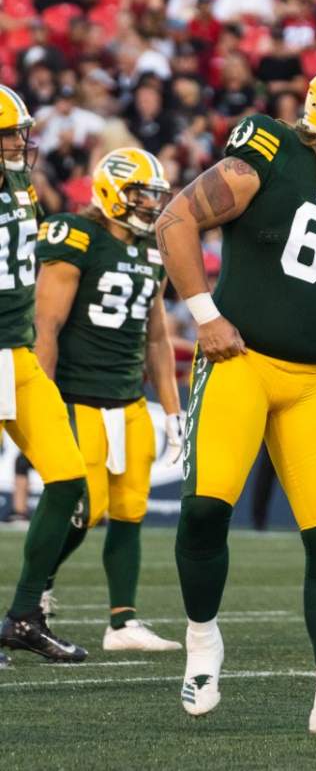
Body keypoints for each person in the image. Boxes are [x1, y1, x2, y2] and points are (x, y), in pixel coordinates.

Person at [155, 63, 316, 734]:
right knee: (207, 510)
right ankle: (203, 636)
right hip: (241, 362)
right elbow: (175, 218)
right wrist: (205, 314)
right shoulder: (270, 148)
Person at [32, 147, 183, 651]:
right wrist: (44, 393)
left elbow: (158, 338)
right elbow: (46, 323)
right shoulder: (77, 237)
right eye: (140, 194)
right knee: (86, 505)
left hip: (128, 397)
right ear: (112, 192)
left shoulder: (154, 250)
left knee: (129, 508)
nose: (148, 204)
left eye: (153, 196)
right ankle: (36, 594)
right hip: (77, 394)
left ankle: (122, 622)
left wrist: (174, 408)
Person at [0, 85, 89, 668]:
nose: (19, 143)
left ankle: (24, 615)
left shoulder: (19, 181)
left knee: (67, 479)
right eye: (9, 133)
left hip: (18, 353)